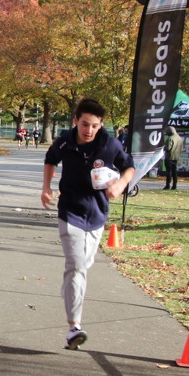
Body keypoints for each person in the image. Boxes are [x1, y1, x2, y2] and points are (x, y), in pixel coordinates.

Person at [41, 98, 134, 351]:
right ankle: (74, 327)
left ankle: (70, 289)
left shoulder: (110, 145)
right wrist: (46, 187)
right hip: (70, 211)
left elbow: (129, 167)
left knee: (83, 266)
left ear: (101, 124)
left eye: (94, 125)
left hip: (97, 215)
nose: (89, 130)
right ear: (76, 121)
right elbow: (50, 159)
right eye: (84, 124)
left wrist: (120, 184)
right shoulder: (65, 141)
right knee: (77, 266)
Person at [163, 125, 183, 190]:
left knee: (169, 172)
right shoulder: (180, 138)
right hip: (176, 157)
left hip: (169, 157)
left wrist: (164, 148)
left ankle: (168, 185)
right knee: (174, 172)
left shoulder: (170, 139)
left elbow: (168, 148)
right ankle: (174, 185)